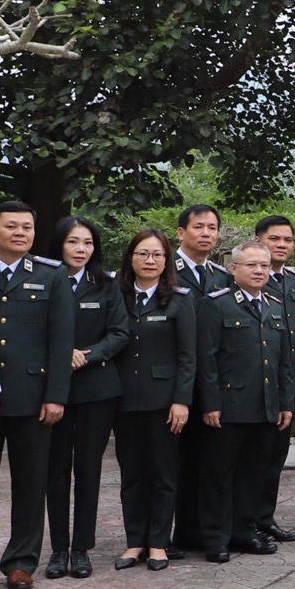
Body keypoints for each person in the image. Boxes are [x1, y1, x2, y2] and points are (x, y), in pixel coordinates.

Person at [0, 201, 74, 589]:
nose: (20, 233)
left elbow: (61, 339)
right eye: (11, 226)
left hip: (33, 395)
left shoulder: (51, 274)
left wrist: (56, 395)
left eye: (27, 227)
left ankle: (21, 561)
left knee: (30, 482)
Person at [191, 242, 295, 562]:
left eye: (264, 265)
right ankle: (215, 537)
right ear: (234, 269)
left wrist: (285, 402)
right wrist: (210, 403)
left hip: (264, 405)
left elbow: (283, 361)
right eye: (251, 265)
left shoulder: (275, 305)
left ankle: (244, 531)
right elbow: (207, 359)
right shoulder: (217, 304)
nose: (259, 271)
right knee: (219, 476)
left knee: (254, 474)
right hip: (229, 406)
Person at [42, 217, 129, 581]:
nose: (81, 249)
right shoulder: (44, 279)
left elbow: (120, 332)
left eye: (88, 243)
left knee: (89, 469)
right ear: (59, 244)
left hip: (96, 389)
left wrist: (86, 355)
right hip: (53, 390)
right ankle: (58, 549)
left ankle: (81, 549)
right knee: (56, 471)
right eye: (73, 242)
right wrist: (61, 354)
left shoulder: (106, 285)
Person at [111, 229, 193, 570]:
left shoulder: (179, 299)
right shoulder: (116, 295)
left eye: (157, 255)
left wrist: (182, 400)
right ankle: (135, 542)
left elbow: (188, 356)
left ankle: (158, 542)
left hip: (164, 401)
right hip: (123, 398)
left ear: (166, 261)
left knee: (163, 473)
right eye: (143, 254)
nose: (150, 260)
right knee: (131, 473)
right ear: (130, 258)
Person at [166, 203, 228, 555]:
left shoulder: (221, 276)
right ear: (181, 232)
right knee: (171, 463)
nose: (206, 234)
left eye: (212, 228)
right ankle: (166, 534)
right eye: (199, 227)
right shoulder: (165, 271)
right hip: (174, 381)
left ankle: (199, 531)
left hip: (212, 382)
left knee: (208, 461)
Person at [248, 217, 295, 547]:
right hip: (254, 386)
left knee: (275, 459)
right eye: (274, 239)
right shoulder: (248, 278)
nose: (282, 245)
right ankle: (247, 522)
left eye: (288, 240)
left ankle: (265, 518)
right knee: (253, 460)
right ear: (258, 240)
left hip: (285, 383)